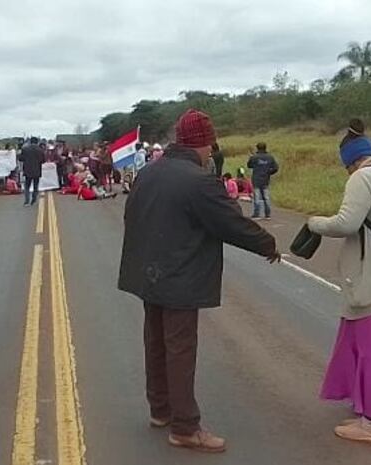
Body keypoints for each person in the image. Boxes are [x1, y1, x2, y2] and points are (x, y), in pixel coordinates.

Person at [118, 109, 280, 453]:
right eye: (211, 144)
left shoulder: (148, 173)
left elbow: (131, 216)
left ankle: (160, 410)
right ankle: (185, 428)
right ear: (203, 143)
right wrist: (268, 244)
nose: (211, 151)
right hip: (180, 277)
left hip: (150, 272)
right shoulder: (199, 180)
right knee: (180, 349)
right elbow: (231, 223)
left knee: (156, 343)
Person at [307, 127, 371, 445]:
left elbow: (347, 223)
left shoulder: (363, 178)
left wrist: (315, 223)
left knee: (370, 351)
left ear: (350, 161)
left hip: (370, 278)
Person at [247, 142, 279, 220]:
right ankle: (267, 215)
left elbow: (249, 165)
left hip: (256, 179)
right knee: (266, 198)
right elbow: (276, 168)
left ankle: (257, 214)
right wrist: (269, 173)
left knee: (257, 198)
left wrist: (251, 158)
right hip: (266, 179)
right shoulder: (270, 157)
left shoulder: (254, 157)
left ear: (257, 148)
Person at [18, 136, 45, 206]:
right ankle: (34, 200)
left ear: (30, 142)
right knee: (36, 186)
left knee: (27, 186)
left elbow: (20, 158)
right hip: (37, 170)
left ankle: (27, 201)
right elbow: (43, 160)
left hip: (27, 170)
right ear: (37, 142)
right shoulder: (40, 150)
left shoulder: (25, 149)